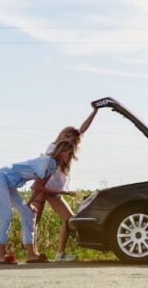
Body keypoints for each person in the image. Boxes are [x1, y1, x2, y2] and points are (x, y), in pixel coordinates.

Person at [29, 102, 99, 261]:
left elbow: (82, 129)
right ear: (61, 135)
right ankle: (32, 252)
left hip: (55, 191)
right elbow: (43, 169)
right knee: (34, 220)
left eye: (73, 139)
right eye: (67, 136)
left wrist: (94, 112)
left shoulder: (69, 150)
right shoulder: (52, 148)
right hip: (43, 187)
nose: (70, 141)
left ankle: (59, 254)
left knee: (69, 219)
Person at [0, 142, 76, 265]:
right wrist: (62, 192)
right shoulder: (47, 161)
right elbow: (38, 186)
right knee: (6, 214)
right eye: (69, 153)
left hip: (10, 183)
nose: (71, 156)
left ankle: (31, 254)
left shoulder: (54, 165)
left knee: (29, 213)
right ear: (62, 151)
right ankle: (1, 254)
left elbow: (39, 187)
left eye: (72, 154)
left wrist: (29, 203)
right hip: (2, 177)